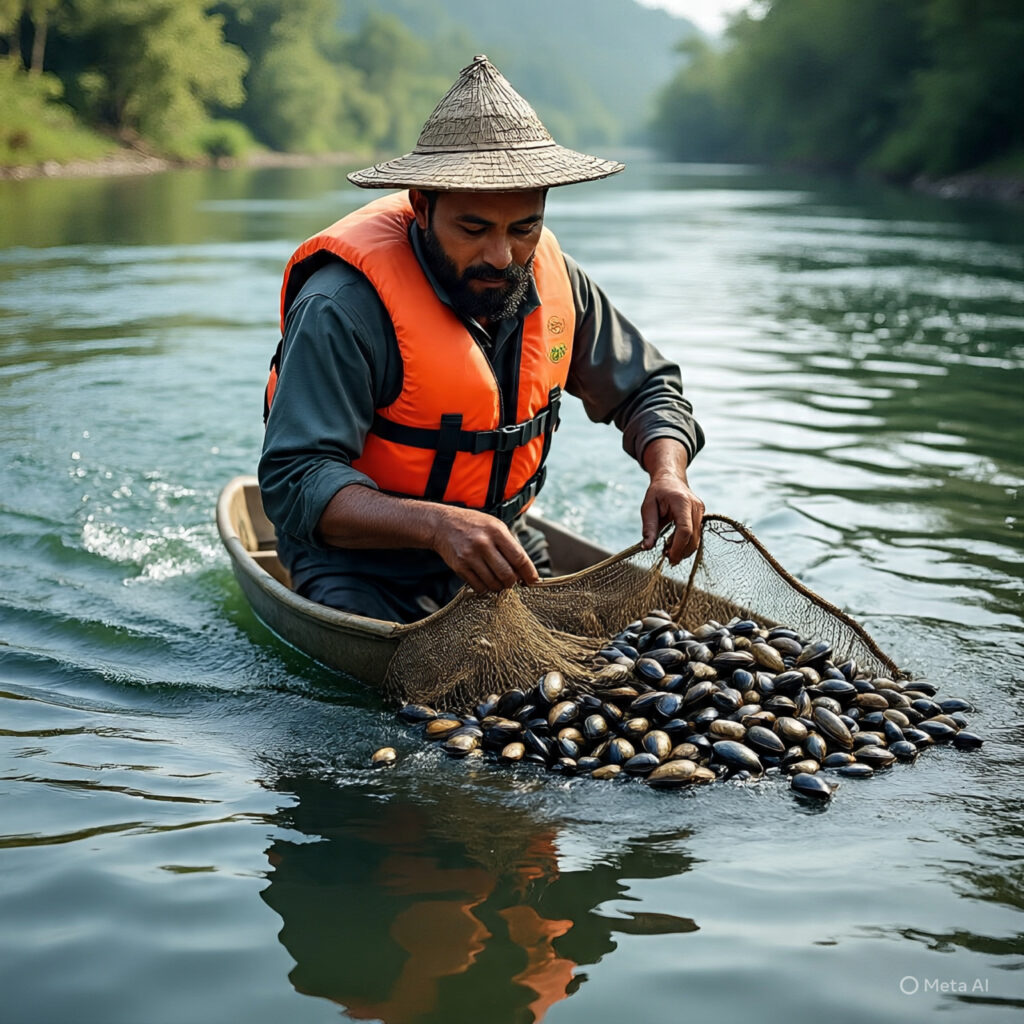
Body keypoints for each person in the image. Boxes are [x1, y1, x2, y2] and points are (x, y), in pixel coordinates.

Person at [259, 55, 705, 623]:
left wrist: (668, 471)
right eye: (473, 229)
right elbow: (295, 478)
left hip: (502, 550)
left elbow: (649, 389)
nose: (502, 256)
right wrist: (438, 524)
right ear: (422, 205)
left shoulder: (555, 278)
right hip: (359, 567)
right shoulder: (342, 309)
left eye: (524, 228)